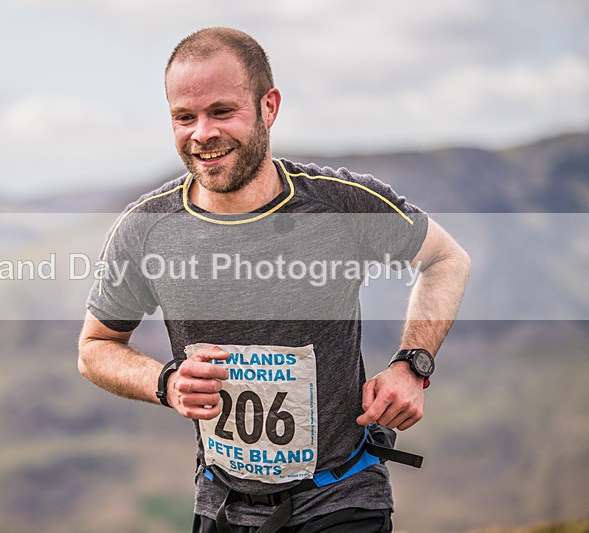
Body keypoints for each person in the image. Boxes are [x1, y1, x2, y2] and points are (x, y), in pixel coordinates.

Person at [78, 27, 470, 533]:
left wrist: (412, 364)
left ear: (269, 106)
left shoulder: (337, 203)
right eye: (184, 117)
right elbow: (94, 348)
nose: (202, 133)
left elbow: (445, 259)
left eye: (222, 112)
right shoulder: (146, 229)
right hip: (220, 503)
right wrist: (166, 382)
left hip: (340, 497)